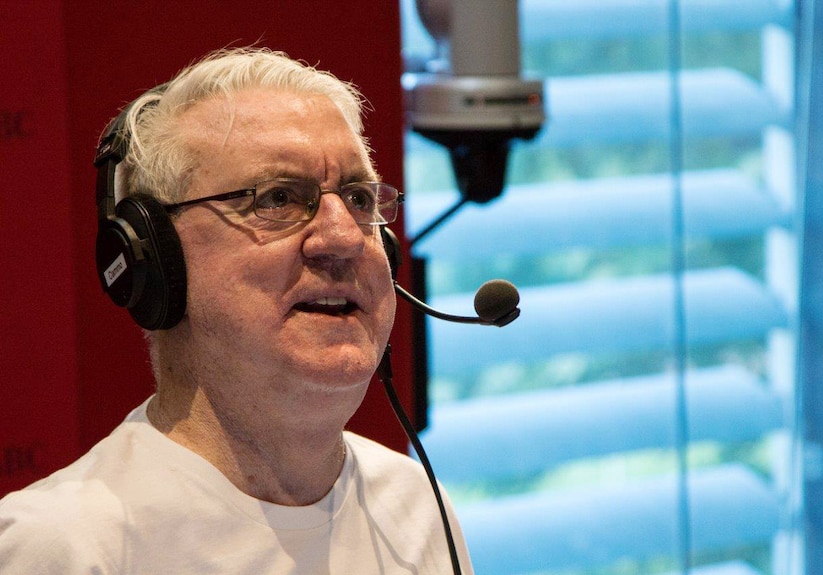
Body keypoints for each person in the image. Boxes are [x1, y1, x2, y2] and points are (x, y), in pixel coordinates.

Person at [0, 47, 473, 574]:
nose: (343, 238)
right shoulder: (66, 546)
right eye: (276, 199)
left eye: (360, 199)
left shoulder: (414, 505)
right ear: (158, 261)